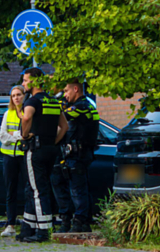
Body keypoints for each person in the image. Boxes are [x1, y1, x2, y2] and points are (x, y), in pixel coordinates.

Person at [17, 68, 67, 243]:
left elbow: (26, 118)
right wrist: (53, 141)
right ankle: (28, 227)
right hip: (50, 149)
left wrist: (24, 135)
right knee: (35, 187)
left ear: (34, 82)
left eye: (25, 80)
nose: (23, 84)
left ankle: (43, 230)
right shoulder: (53, 101)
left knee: (38, 190)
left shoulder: (32, 101)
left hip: (35, 150)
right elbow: (64, 126)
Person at [51, 80, 101, 232]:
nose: (65, 95)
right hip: (75, 154)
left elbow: (62, 116)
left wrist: (55, 101)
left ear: (75, 89)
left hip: (78, 154)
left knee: (77, 189)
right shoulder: (84, 106)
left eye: (66, 91)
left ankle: (80, 221)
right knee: (67, 185)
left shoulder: (82, 107)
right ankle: (71, 220)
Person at [0, 85, 26, 237]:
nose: (16, 98)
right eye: (13, 95)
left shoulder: (28, 113)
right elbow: (2, 136)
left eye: (19, 95)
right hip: (9, 157)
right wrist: (18, 135)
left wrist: (13, 134)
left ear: (24, 96)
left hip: (23, 156)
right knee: (11, 191)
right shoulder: (7, 113)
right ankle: (10, 224)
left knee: (28, 189)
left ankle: (28, 223)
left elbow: (27, 134)